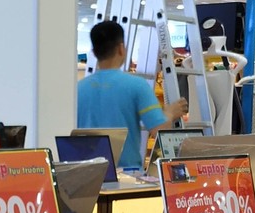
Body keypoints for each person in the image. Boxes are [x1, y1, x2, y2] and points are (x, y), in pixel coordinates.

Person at [77, 21, 188, 169]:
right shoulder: (136, 85)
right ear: (121, 49)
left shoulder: (79, 88)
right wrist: (170, 112)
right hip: (126, 174)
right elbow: (158, 130)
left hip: (87, 173)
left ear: (94, 52)